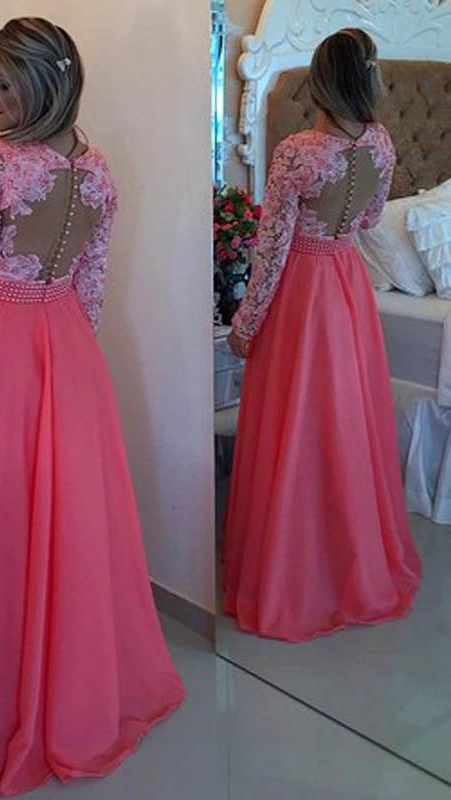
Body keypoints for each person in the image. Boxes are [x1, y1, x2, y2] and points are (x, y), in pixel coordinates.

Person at [0, 17, 184, 797]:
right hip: (66, 345)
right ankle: (70, 684)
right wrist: (66, 355)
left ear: (39, 84)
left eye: (3, 82)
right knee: (63, 515)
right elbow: (91, 284)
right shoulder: (96, 170)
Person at [222, 28, 421, 642]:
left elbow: (272, 246)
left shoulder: (298, 152)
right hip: (346, 283)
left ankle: (295, 570)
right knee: (342, 421)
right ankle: (347, 560)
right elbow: (368, 217)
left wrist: (245, 323)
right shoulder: (380, 143)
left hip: (303, 291)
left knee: (297, 424)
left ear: (321, 79)